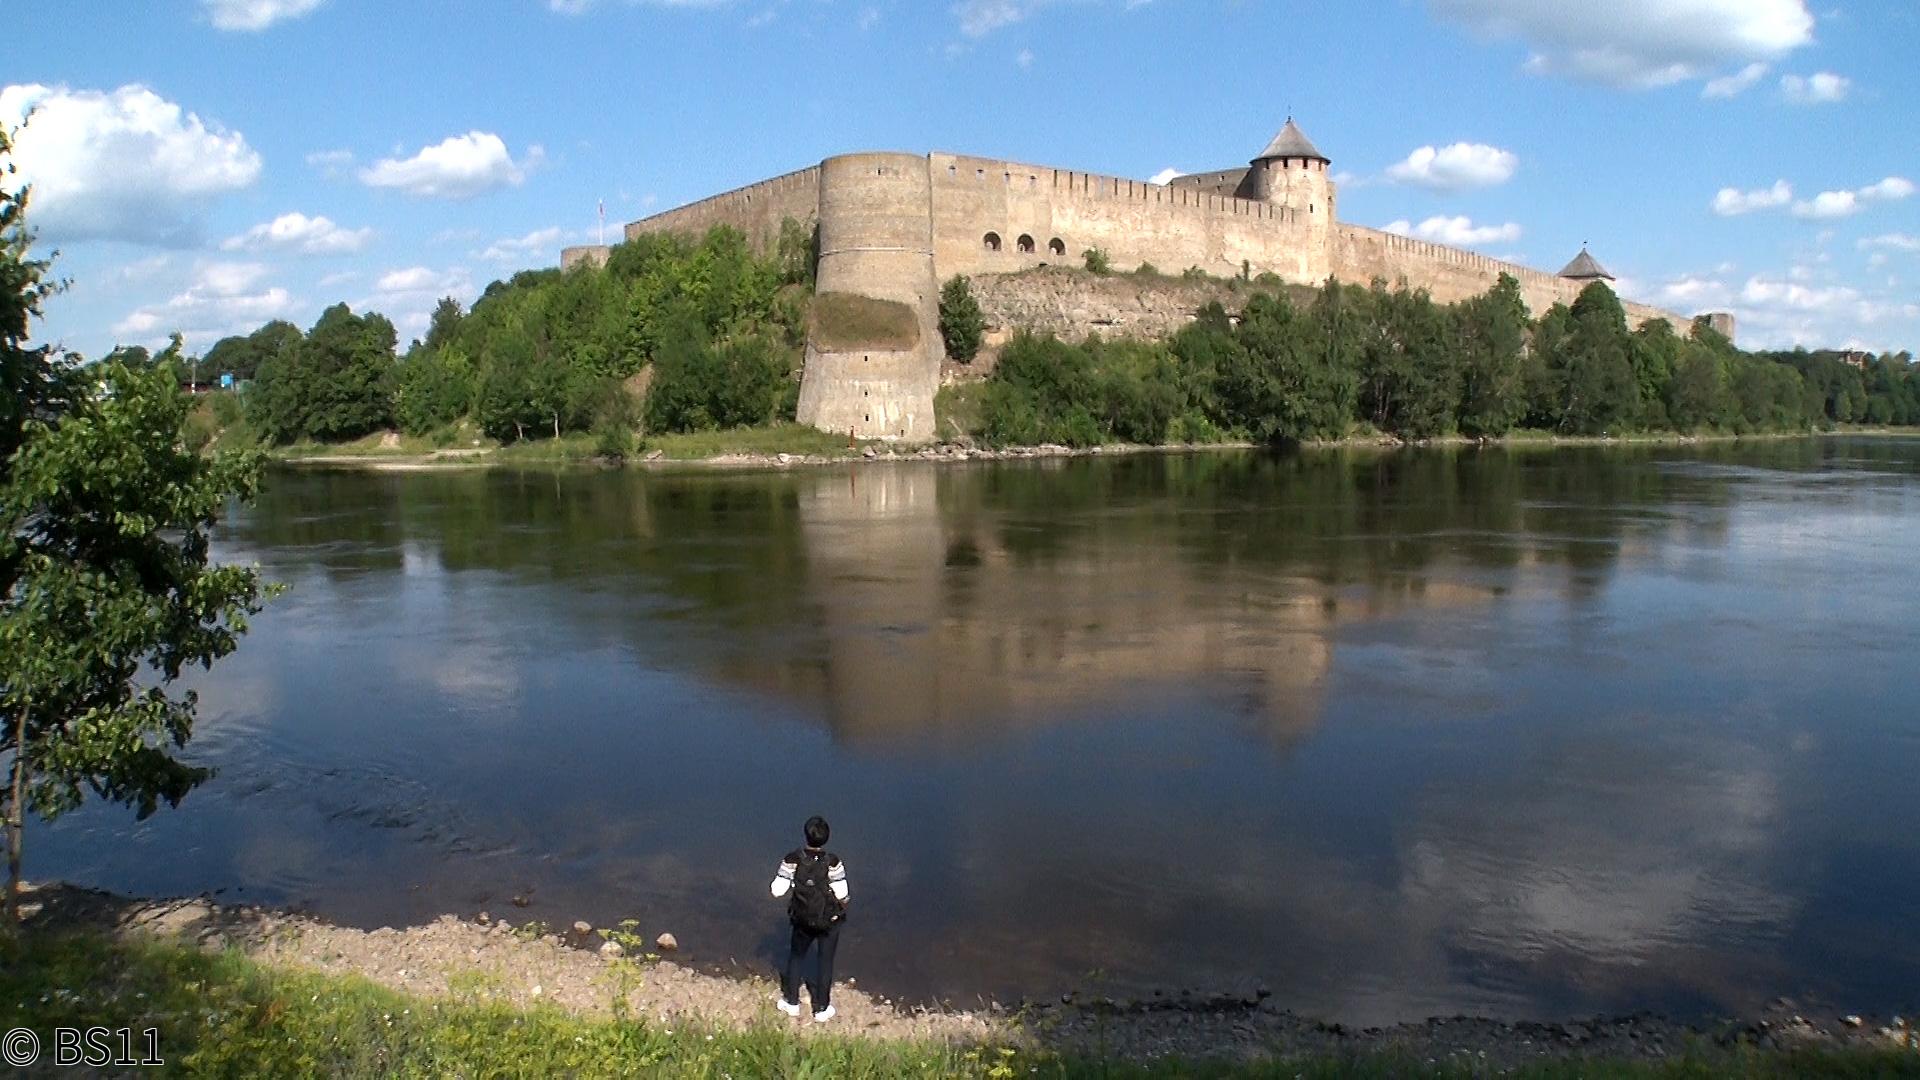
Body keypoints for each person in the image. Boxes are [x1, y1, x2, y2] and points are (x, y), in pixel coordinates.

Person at [770, 815, 848, 1022]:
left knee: (796, 957)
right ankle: (821, 1008)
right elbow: (842, 893)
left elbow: (777, 890)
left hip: (802, 918)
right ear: (826, 838)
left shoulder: (792, 859)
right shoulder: (833, 862)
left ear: (806, 835)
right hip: (828, 920)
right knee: (825, 962)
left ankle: (792, 1002)